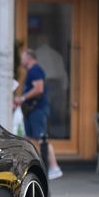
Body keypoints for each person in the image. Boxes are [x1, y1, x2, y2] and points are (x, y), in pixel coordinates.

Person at [14, 48, 63, 180]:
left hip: (38, 110)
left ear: (29, 58)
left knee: (42, 138)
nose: (21, 60)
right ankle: (34, 164)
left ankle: (54, 167)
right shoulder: (32, 71)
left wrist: (23, 98)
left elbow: (39, 89)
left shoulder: (35, 70)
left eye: (23, 57)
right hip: (32, 111)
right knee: (30, 137)